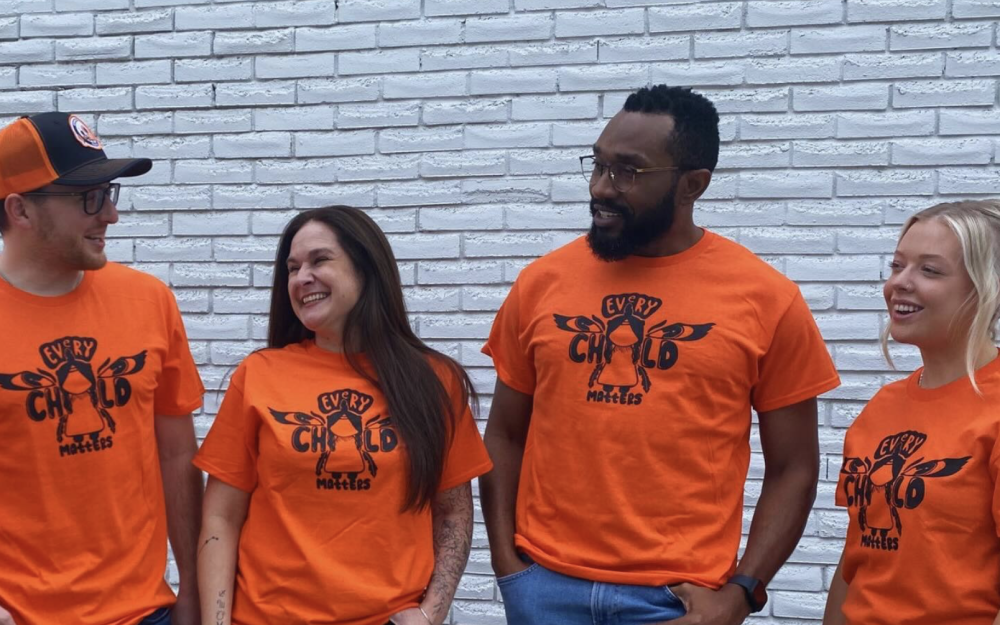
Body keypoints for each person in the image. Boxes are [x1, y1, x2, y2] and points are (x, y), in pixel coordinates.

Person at [481, 84, 841, 625]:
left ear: (692, 184)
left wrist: (743, 592)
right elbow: (505, 433)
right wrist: (509, 565)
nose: (601, 186)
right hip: (544, 586)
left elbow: (794, 468)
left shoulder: (766, 298)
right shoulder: (541, 283)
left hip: (677, 602)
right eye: (597, 164)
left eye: (628, 171)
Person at [195, 206, 492, 625]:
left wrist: (430, 615)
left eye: (319, 260)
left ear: (367, 269)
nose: (302, 278)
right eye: (293, 268)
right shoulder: (258, 375)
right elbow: (221, 516)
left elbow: (453, 512)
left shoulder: (434, 380)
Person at [0, 112, 205, 625]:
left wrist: (195, 592)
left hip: (146, 612)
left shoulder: (149, 301)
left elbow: (178, 456)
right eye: (89, 197)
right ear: (20, 210)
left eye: (110, 192)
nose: (110, 214)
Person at [824, 201, 1000, 625]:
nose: (899, 283)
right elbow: (859, 559)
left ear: (986, 287)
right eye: (897, 266)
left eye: (930, 270)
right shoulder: (882, 409)